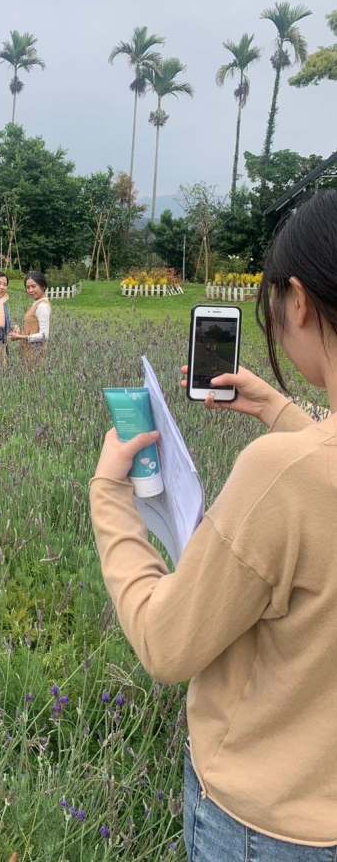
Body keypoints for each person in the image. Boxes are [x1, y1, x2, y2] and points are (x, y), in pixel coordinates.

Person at [90, 189, 337, 858]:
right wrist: (283, 412)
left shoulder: (282, 476)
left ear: (299, 301)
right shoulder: (302, 467)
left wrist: (110, 494)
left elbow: (167, 645)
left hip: (271, 826)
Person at [8, 271, 51, 360]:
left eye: (33, 286)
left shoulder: (42, 306)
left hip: (35, 354)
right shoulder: (36, 303)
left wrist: (20, 337)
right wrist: (19, 330)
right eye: (28, 287)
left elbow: (44, 335)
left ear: (43, 286)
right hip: (27, 352)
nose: (30, 290)